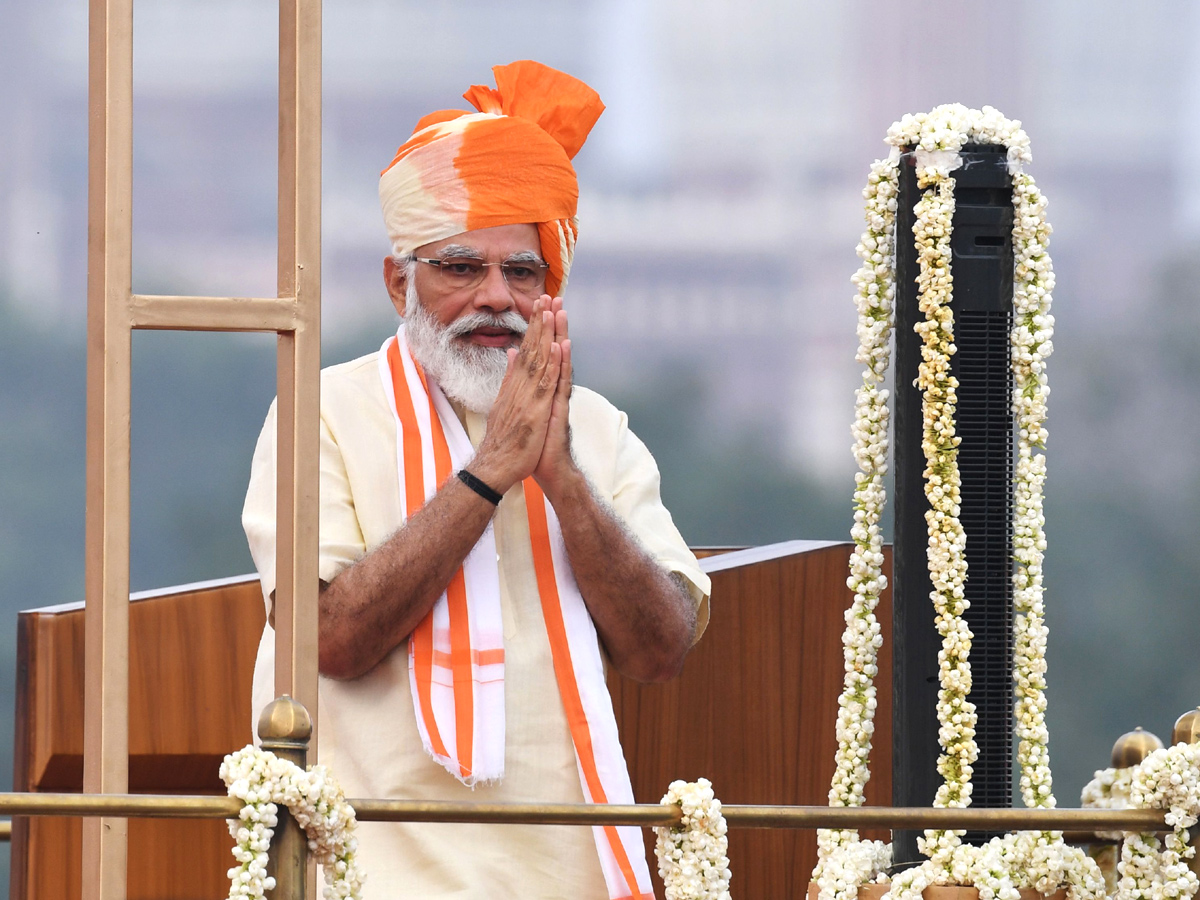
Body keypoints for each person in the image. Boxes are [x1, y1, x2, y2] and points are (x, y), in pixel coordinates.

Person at [242, 60, 710, 900]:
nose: (495, 297)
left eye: (522, 273)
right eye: (461, 268)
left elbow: (660, 646)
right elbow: (328, 640)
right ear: (399, 283)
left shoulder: (595, 430)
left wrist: (561, 478)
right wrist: (491, 473)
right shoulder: (323, 412)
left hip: (572, 870)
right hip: (372, 867)